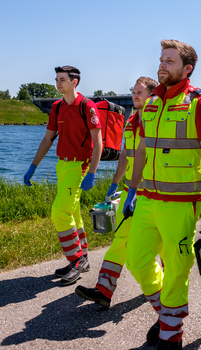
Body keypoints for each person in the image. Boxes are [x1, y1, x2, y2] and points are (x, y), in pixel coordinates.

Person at [123, 40, 201, 350]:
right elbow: (140, 151)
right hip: (148, 200)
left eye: (170, 60)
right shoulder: (150, 103)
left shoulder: (200, 103)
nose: (162, 64)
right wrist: (132, 190)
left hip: (181, 204)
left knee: (177, 271)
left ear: (187, 68)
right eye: (161, 59)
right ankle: (167, 314)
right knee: (137, 261)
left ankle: (171, 336)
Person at [74, 76, 158, 308]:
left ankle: (164, 286)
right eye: (134, 91)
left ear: (152, 95)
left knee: (157, 247)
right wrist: (114, 184)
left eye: (140, 92)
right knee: (121, 239)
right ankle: (104, 289)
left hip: (151, 193)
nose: (135, 95)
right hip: (131, 193)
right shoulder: (131, 121)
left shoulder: (156, 123)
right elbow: (125, 155)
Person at [23, 66, 103, 286]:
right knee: (72, 212)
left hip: (80, 166)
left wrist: (92, 173)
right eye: (57, 79)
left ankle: (76, 259)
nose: (58, 84)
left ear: (74, 82)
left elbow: (98, 142)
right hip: (62, 165)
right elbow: (48, 139)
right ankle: (83, 258)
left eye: (63, 80)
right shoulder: (57, 108)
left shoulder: (87, 106)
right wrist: (33, 166)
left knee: (60, 211)